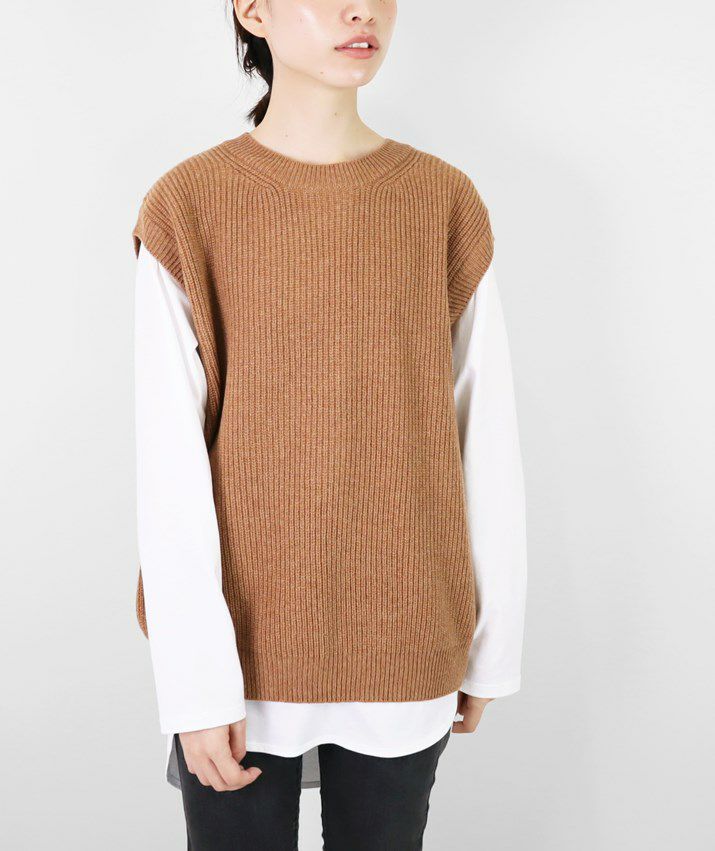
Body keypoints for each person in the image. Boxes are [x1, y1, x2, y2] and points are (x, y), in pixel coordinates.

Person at [132, 1, 527, 848]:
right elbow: (168, 460)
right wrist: (195, 681)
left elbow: (483, 429)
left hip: (405, 628)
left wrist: (490, 639)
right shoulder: (188, 204)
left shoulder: (440, 200)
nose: (361, 10)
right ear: (253, 10)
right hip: (242, 647)